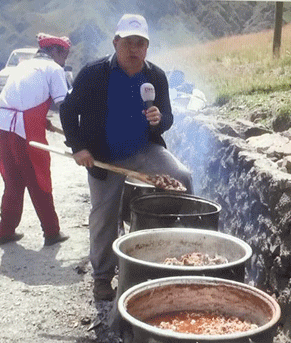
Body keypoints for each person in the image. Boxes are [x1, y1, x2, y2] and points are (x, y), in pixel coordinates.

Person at [60, 14, 193, 301]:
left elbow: (167, 117)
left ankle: (180, 246)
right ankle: (103, 277)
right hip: (102, 154)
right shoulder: (94, 73)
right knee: (103, 215)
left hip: (144, 149)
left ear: (147, 47)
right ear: (116, 42)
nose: (134, 49)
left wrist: (159, 119)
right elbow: (68, 111)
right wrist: (78, 148)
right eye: (129, 43)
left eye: (141, 44)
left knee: (182, 177)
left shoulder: (155, 76)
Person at [0, 33, 71, 246]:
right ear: (56, 51)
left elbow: (21, 98)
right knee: (39, 178)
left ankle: (5, 231)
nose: (65, 61)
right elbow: (64, 105)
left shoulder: (23, 66)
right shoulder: (54, 68)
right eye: (65, 55)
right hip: (25, 127)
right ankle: (52, 232)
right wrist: (75, 136)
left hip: (4, 124)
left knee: (13, 180)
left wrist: (41, 120)